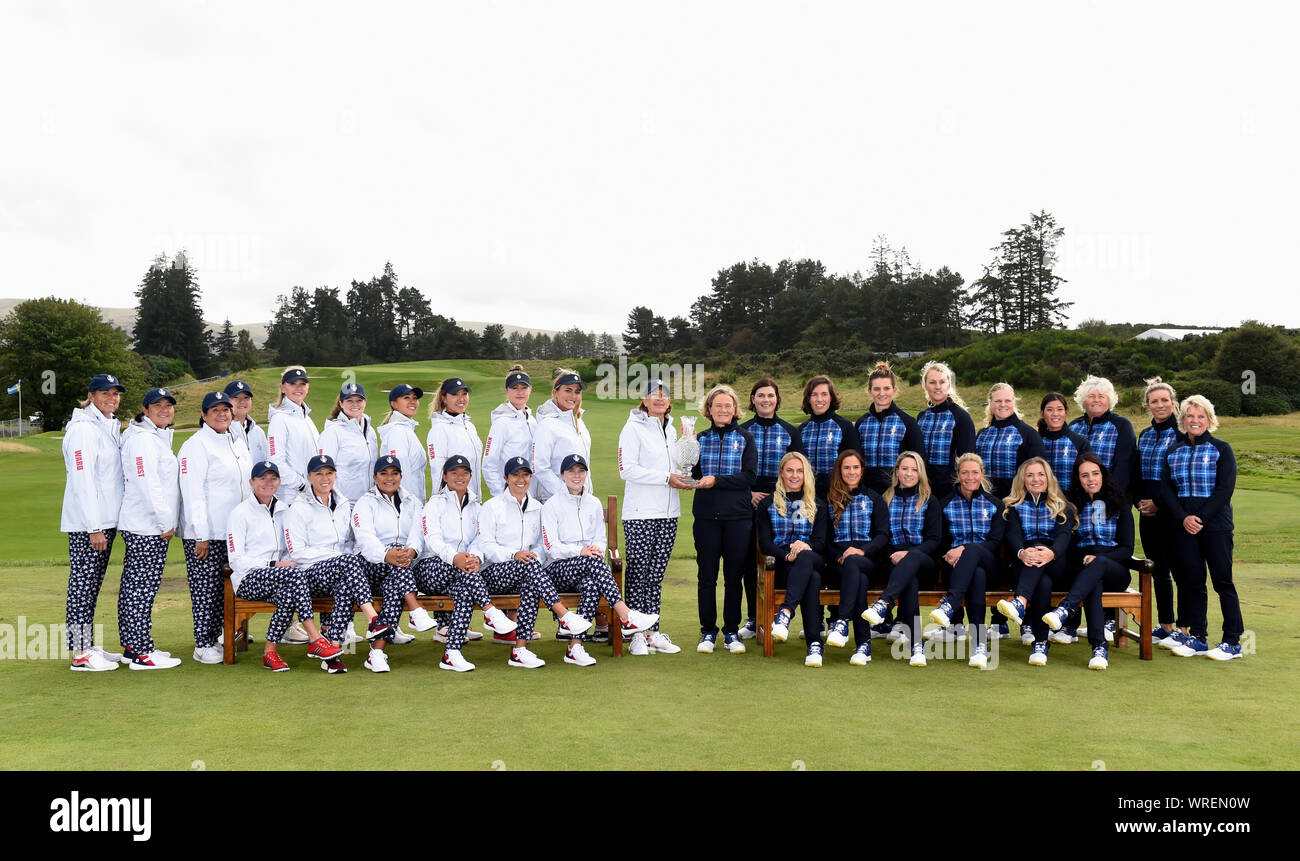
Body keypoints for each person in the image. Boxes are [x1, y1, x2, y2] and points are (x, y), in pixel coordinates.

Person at [225, 460, 344, 671]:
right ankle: (315, 638)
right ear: (252, 482)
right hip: (248, 579)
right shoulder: (239, 513)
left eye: (273, 478)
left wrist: (282, 566)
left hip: (279, 578)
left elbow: (290, 549)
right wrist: (272, 564)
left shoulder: (283, 510)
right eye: (262, 478)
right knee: (294, 574)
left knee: (290, 593)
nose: (268, 482)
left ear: (279, 482)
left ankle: (269, 653)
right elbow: (235, 559)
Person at [542, 454, 659, 666]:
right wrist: (581, 551)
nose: (576, 476)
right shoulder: (551, 505)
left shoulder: (593, 503)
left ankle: (575, 647)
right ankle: (625, 614)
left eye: (581, 471)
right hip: (557, 570)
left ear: (586, 474)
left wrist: (593, 551)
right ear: (562, 475)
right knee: (593, 562)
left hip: (588, 569)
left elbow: (601, 539)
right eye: (571, 472)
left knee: (592, 585)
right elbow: (551, 547)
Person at [478, 456, 592, 667]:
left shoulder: (538, 507)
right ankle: (562, 614)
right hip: (494, 574)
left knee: (531, 579)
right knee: (530, 567)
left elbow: (541, 545)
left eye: (525, 475)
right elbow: (486, 546)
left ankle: (519, 650)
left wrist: (532, 557)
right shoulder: (492, 506)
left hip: (527, 571)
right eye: (515, 475)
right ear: (506, 478)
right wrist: (514, 555)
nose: (521, 479)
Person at [283, 454, 392, 673]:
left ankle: (332, 655)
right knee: (348, 564)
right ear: (309, 477)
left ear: (335, 475)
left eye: (329, 473)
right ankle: (373, 619)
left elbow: (350, 542)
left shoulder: (342, 503)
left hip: (339, 571)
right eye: (319, 474)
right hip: (308, 574)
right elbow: (297, 552)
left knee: (345, 587)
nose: (325, 478)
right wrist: (336, 558)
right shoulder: (297, 508)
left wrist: (341, 560)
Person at [416, 455, 520, 671]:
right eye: (454, 473)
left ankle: (451, 653)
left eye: (464, 473)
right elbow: (432, 539)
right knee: (467, 574)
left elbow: (480, 538)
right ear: (445, 476)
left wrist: (474, 557)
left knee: (464, 591)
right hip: (432, 568)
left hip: (464, 571)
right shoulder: (435, 503)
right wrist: (455, 557)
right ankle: (490, 611)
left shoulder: (476, 505)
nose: (460, 477)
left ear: (470, 476)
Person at [1159, 395, 1244, 660]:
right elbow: (1166, 490)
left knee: (1222, 581)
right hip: (1184, 526)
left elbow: (1224, 489)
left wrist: (1201, 518)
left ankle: (1232, 642)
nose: (1195, 421)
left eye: (1200, 416)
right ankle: (1198, 637)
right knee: (1193, 581)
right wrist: (1184, 517)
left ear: (1209, 419)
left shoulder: (1222, 449)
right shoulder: (1173, 451)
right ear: (1183, 420)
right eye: (1190, 416)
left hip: (1215, 526)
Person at [177, 390, 253, 665]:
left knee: (227, 590)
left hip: (233, 531)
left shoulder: (235, 441)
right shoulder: (195, 445)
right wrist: (201, 535)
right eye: (215, 410)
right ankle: (203, 643)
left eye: (226, 409)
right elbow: (193, 493)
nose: (222, 414)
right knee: (205, 589)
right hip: (206, 533)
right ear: (204, 415)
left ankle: (222, 635)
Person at [617, 379, 690, 656]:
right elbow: (627, 469)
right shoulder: (633, 427)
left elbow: (681, 467)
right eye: (653, 395)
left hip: (669, 513)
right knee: (638, 575)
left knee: (655, 576)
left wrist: (687, 445)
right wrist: (665, 478)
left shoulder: (672, 430)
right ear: (644, 400)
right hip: (640, 514)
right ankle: (634, 635)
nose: (659, 399)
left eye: (664, 395)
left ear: (669, 402)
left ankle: (653, 632)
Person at [350, 455, 441, 673]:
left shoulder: (413, 501)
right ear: (375, 477)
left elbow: (418, 534)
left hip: (399, 568)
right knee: (397, 562)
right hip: (370, 567)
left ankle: (377, 653)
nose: (389, 478)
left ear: (401, 476)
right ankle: (415, 609)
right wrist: (387, 554)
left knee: (394, 585)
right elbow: (365, 540)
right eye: (384, 473)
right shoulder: (365, 503)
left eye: (394, 473)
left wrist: (411, 551)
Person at [1042, 454, 1133, 670]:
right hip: (1084, 568)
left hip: (1115, 569)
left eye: (1095, 473)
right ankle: (1099, 647)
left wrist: (1101, 558)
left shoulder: (1120, 504)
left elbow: (1127, 549)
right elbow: (1069, 546)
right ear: (1078, 479)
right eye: (1085, 475)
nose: (1091, 479)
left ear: (1103, 475)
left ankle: (1065, 609)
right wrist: (1085, 560)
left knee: (1098, 566)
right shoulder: (1071, 507)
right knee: (1094, 582)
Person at [63, 373, 128, 672]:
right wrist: (93, 527)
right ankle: (79, 653)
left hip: (103, 521)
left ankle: (87, 645)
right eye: (105, 393)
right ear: (91, 396)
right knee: (82, 584)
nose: (111, 398)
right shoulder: (82, 430)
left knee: (91, 586)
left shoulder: (107, 425)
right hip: (89, 524)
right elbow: (83, 480)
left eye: (115, 394)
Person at [116, 387, 182, 669]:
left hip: (146, 525)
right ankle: (141, 652)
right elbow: (147, 484)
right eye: (158, 405)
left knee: (137, 587)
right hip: (146, 526)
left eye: (169, 405)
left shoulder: (152, 437)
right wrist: (165, 521)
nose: (165, 409)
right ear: (145, 410)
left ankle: (134, 646)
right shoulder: (143, 440)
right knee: (141, 588)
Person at [691, 384, 758, 654]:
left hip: (738, 517)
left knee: (733, 577)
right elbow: (693, 474)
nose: (723, 410)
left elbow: (749, 476)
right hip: (706, 516)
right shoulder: (698, 439)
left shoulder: (746, 438)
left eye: (727, 406)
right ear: (709, 409)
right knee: (707, 576)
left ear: (735, 410)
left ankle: (731, 631)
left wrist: (716, 480)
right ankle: (707, 631)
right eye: (717, 405)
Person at [994, 458, 1078, 667]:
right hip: (1023, 563)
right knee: (1043, 582)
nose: (1036, 479)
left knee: (1044, 571)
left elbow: (1063, 537)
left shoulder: (1061, 506)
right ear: (1022, 480)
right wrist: (1022, 552)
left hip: (1055, 561)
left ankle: (1020, 602)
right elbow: (1013, 535)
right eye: (1030, 475)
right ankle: (1040, 643)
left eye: (1040, 474)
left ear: (1048, 478)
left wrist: (1051, 553)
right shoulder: (1013, 506)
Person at [863, 451, 942, 667]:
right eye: (904, 468)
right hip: (893, 563)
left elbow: (934, 540)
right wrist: (894, 554)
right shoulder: (885, 500)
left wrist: (909, 554)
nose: (909, 473)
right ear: (896, 471)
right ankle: (917, 645)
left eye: (914, 469)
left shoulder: (929, 500)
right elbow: (880, 535)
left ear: (920, 473)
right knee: (909, 581)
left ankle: (884, 603)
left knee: (914, 560)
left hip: (924, 562)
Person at [739, 378, 805, 638]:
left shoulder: (790, 431)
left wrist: (779, 498)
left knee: (779, 555)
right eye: (760, 395)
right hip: (748, 501)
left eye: (771, 395)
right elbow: (736, 470)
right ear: (753, 400)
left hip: (781, 503)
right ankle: (754, 619)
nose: (766, 400)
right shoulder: (743, 431)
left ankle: (778, 617)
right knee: (749, 562)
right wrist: (749, 493)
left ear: (777, 399)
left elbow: (798, 472)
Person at [929, 453, 1005, 669]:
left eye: (974, 472)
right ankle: (979, 644)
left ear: (982, 474)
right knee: (976, 576)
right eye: (965, 472)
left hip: (990, 565)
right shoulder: (945, 504)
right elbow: (940, 541)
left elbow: (995, 541)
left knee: (974, 554)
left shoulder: (994, 504)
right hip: (956, 568)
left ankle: (949, 604)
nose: (970, 477)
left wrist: (964, 548)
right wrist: (950, 552)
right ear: (958, 475)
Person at [759, 453, 830, 667]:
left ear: (806, 474)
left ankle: (785, 613)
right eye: (790, 470)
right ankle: (814, 645)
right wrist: (787, 555)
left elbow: (820, 542)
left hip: (812, 556)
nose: (794, 475)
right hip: (781, 564)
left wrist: (805, 547)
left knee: (807, 558)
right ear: (781, 472)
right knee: (813, 578)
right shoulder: (767, 505)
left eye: (799, 471)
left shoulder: (817, 505)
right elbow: (765, 543)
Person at [822, 451, 889, 665]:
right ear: (839, 471)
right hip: (838, 563)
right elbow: (824, 540)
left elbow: (882, 535)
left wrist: (863, 551)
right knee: (857, 579)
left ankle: (841, 621)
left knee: (856, 567)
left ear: (862, 470)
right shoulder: (830, 499)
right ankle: (863, 645)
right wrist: (838, 556)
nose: (851, 472)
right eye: (846, 468)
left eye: (855, 468)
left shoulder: (873, 498)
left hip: (868, 560)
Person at [1135, 377, 1183, 647]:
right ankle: (1166, 624)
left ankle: (1185, 628)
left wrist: (1159, 504)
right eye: (1155, 401)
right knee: (1158, 569)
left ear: (1173, 403)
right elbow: (1142, 476)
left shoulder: (1181, 433)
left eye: (1165, 400)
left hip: (1172, 511)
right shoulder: (1145, 434)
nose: (1160, 404)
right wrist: (1142, 503)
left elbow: (1179, 479)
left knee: (1180, 568)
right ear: (1148, 405)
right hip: (1147, 512)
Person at [855, 362, 924, 495]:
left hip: (897, 493)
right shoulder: (862, 423)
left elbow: (919, 460)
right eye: (876, 389)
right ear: (869, 391)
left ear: (894, 390)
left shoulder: (907, 422)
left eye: (886, 388)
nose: (882, 393)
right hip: (867, 493)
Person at [915, 360, 977, 499]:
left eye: (942, 382)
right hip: (923, 490)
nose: (937, 387)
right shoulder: (922, 416)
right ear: (925, 385)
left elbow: (967, 458)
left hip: (949, 493)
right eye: (932, 382)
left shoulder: (961, 417)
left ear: (948, 385)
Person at [1068, 376, 1138, 495]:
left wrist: (1110, 495)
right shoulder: (1074, 426)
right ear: (1083, 401)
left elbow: (1124, 466)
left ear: (1109, 400)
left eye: (1101, 396)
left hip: (1111, 495)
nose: (1096, 400)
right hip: (1078, 496)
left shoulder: (1121, 425)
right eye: (1091, 396)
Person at [975, 382, 1046, 499]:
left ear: (1013, 402)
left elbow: (1039, 473)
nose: (1003, 405)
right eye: (998, 401)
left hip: (1016, 501)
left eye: (1007, 401)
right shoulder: (982, 434)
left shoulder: (1028, 434)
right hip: (985, 502)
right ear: (991, 403)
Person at [531, 369, 592, 503]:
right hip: (556, 501)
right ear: (555, 392)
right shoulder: (547, 425)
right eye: (568, 390)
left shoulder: (579, 423)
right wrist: (565, 493)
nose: (573, 396)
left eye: (577, 392)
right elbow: (540, 467)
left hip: (581, 499)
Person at [796, 375, 860, 497]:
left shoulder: (844, 426)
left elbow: (856, 461)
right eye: (814, 394)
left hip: (837, 492)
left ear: (831, 397)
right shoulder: (802, 429)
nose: (819, 399)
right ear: (808, 398)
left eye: (824, 394)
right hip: (809, 494)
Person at [266, 366, 321, 506]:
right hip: (291, 497)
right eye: (293, 384)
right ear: (283, 388)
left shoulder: (307, 419)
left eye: (302, 384)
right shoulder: (279, 419)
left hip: (311, 495)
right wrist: (302, 485)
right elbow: (276, 462)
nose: (299, 388)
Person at [482, 365, 537, 499]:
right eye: (514, 388)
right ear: (507, 391)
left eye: (524, 388)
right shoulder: (501, 423)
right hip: (509, 495)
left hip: (531, 496)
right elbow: (489, 465)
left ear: (530, 390)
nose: (520, 392)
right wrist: (501, 496)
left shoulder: (533, 421)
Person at [318, 381, 379, 502]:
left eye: (359, 400)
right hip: (344, 502)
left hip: (369, 502)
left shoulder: (370, 431)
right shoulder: (332, 432)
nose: (354, 404)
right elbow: (323, 470)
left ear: (365, 402)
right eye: (349, 400)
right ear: (341, 403)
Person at [427, 376, 484, 500]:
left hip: (472, 501)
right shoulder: (439, 429)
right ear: (444, 399)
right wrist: (439, 503)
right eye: (455, 395)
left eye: (464, 394)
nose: (461, 399)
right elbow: (438, 471)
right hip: (450, 503)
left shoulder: (469, 426)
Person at [376, 383, 427, 502]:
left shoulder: (405, 429)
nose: (412, 401)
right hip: (407, 505)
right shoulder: (398, 432)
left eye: (415, 398)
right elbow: (399, 474)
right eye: (406, 398)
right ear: (394, 404)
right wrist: (409, 505)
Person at [1037, 392, 1092, 493]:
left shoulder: (1080, 443)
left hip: (1071, 502)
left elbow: (1087, 475)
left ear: (1065, 412)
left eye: (1060, 409)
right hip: (1041, 502)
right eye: (1049, 410)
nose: (1055, 414)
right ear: (1042, 413)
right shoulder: (1036, 441)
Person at [225, 379, 269, 464]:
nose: (242, 401)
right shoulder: (222, 432)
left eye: (246, 398)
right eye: (236, 398)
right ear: (226, 401)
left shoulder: (258, 432)